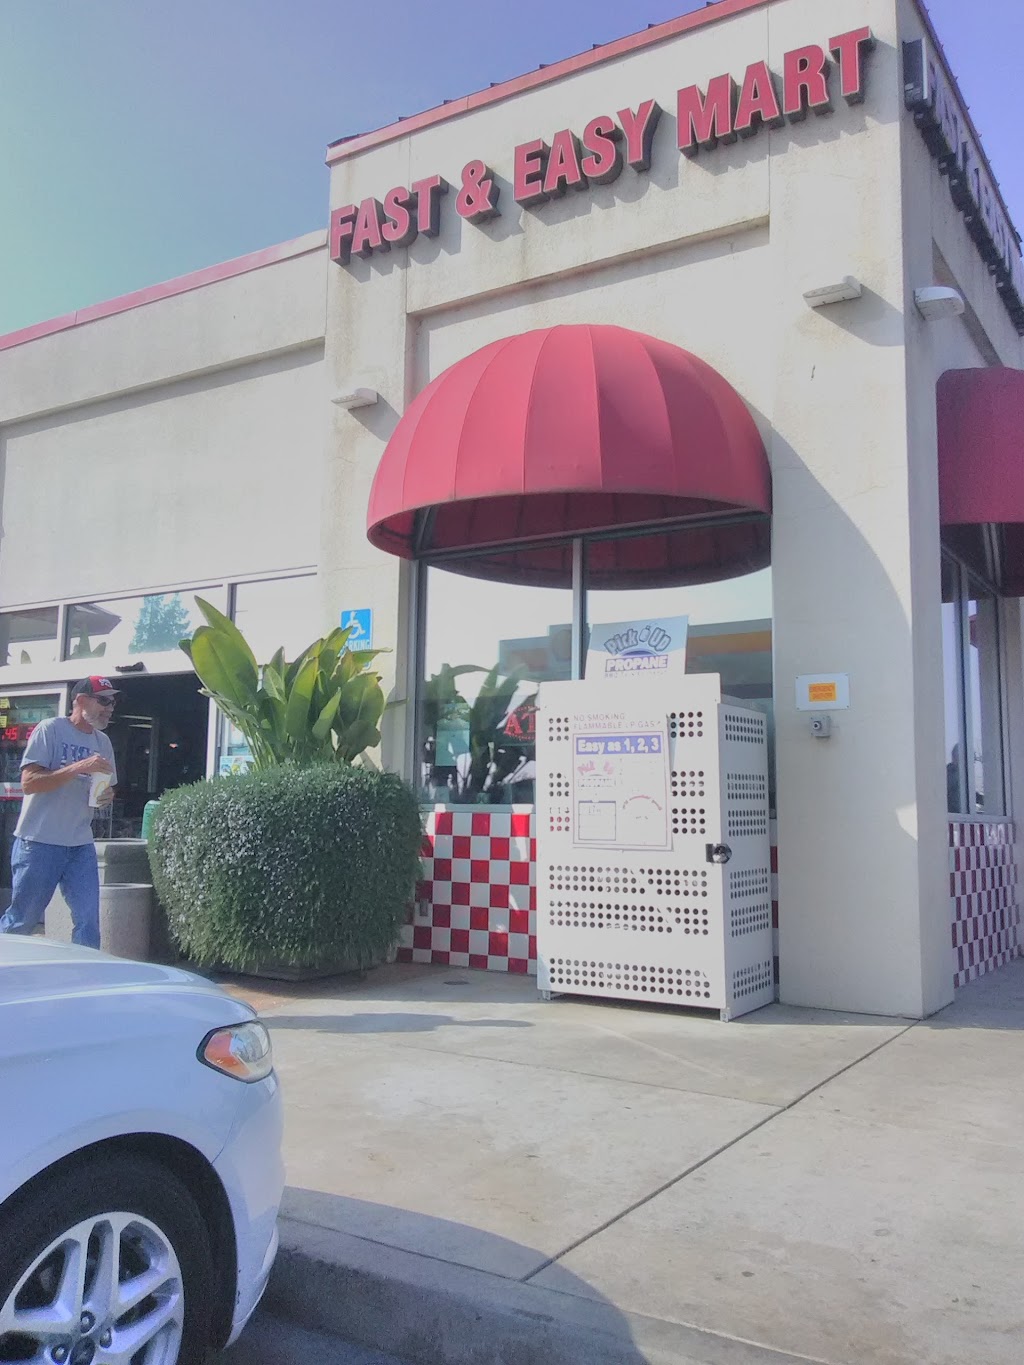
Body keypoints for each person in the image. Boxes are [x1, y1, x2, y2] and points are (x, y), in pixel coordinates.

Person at [0, 676, 118, 948]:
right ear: (81, 701)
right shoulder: (50, 729)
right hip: (39, 841)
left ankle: (85, 971)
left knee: (88, 921)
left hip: (80, 843)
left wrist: (106, 796)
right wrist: (80, 767)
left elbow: (107, 788)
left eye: (113, 702)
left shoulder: (103, 742)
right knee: (22, 921)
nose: (110, 708)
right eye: (104, 701)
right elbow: (29, 783)